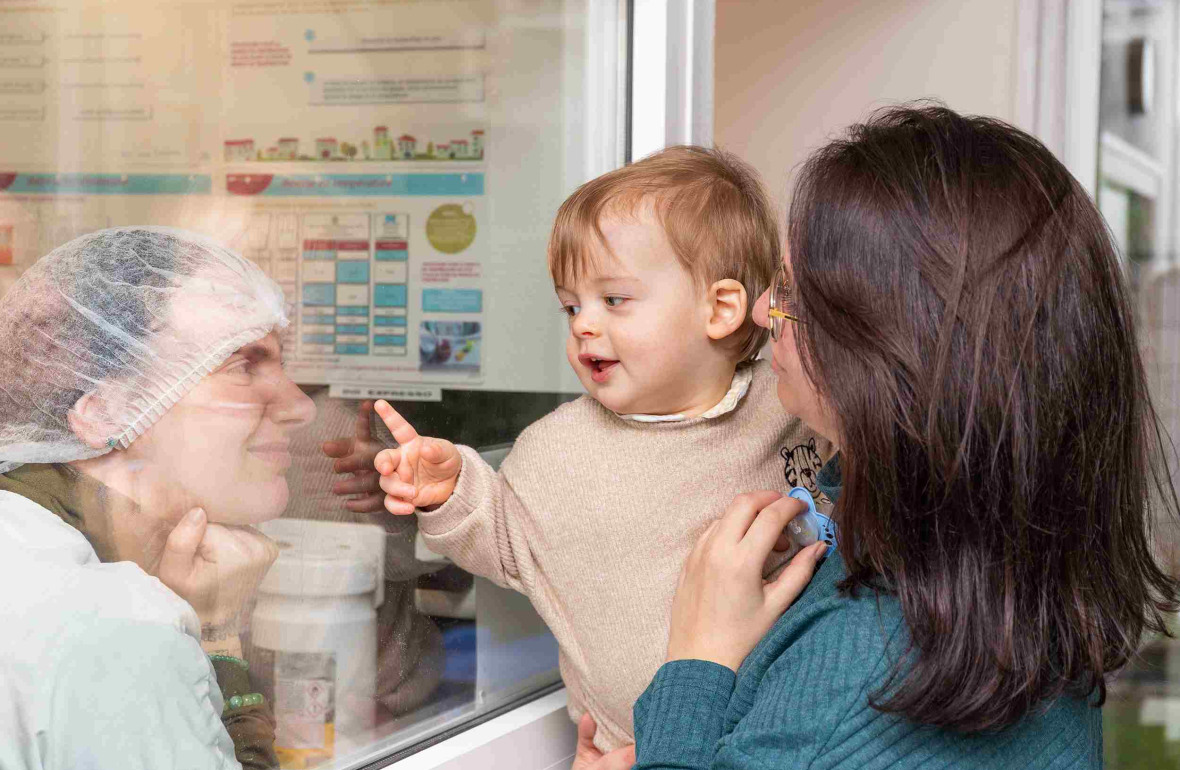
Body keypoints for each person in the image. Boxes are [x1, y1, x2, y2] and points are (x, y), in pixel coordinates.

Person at [612, 105, 1180, 769]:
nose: (764, 311)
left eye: (792, 291)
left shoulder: (851, 684)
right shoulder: (1008, 569)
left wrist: (697, 663)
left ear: (890, 350)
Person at [356, 146, 834, 751]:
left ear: (720, 308)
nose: (583, 324)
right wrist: (449, 491)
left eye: (614, 300)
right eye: (571, 305)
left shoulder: (786, 404)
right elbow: (502, 537)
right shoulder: (556, 452)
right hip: (635, 747)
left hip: (792, 726)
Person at [0, 227, 317, 769]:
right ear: (105, 411)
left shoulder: (27, 542)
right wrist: (218, 641)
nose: (299, 407)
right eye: (242, 366)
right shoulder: (117, 633)